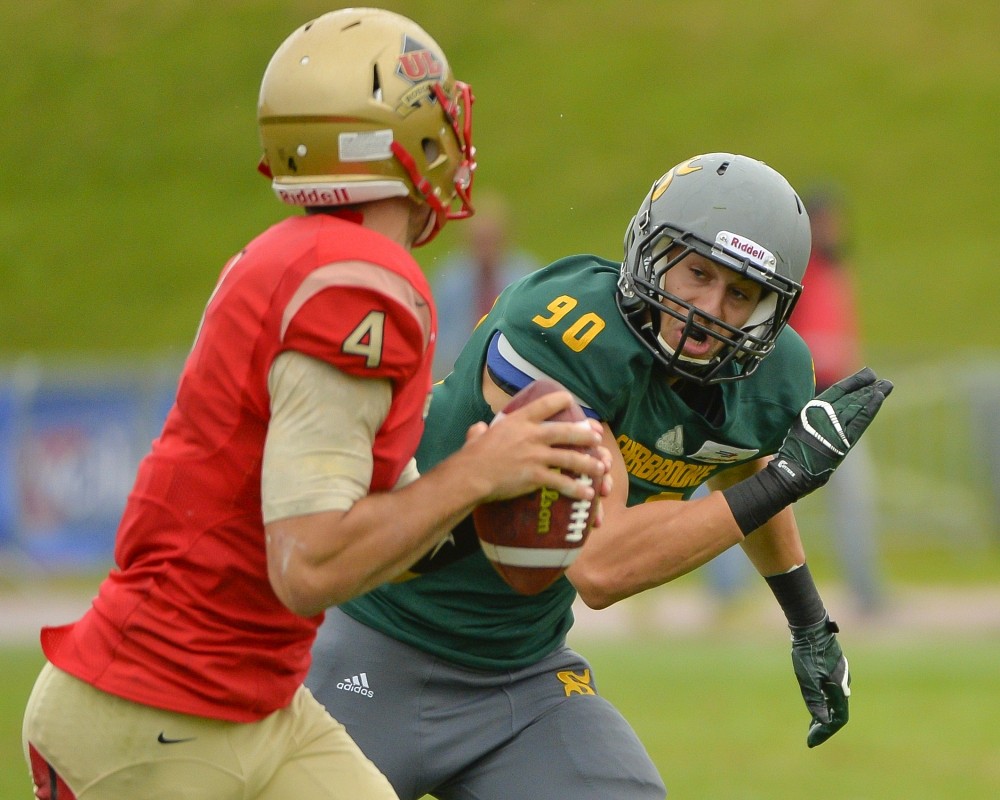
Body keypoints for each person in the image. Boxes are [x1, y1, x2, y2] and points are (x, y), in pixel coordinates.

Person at [20, 9, 611, 799]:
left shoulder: (302, 257)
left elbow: (370, 535)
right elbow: (307, 562)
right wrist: (472, 475)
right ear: (402, 135)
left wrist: (511, 487)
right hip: (155, 712)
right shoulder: (360, 285)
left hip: (254, 704)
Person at [307, 153, 892, 799]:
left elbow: (739, 467)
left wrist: (808, 619)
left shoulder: (769, 372)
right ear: (653, 249)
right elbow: (602, 568)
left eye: (741, 294)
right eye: (697, 272)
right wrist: (786, 478)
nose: (709, 310)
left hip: (521, 678)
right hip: (374, 640)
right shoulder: (563, 326)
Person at [788, 185, 885, 612]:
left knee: (856, 498)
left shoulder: (835, 270)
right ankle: (729, 591)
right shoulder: (797, 270)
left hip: (839, 397)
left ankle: (866, 591)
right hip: (798, 396)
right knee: (750, 489)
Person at [430, 193, 538, 379]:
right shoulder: (450, 280)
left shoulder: (526, 277)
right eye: (479, 240)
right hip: (459, 372)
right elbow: (438, 337)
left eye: (490, 239)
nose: (485, 248)